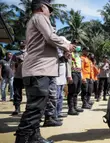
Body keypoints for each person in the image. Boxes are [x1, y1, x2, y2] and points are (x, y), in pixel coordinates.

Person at [15, 0, 75, 142]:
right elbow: (50, 36)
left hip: (39, 69)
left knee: (38, 108)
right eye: (49, 9)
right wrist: (66, 45)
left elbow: (44, 46)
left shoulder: (34, 20)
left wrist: (62, 55)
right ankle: (22, 139)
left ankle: (34, 137)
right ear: (42, 7)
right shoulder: (40, 17)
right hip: (39, 70)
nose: (51, 12)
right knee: (35, 109)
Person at [66, 40, 84, 115]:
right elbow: (68, 65)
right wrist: (69, 76)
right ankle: (71, 108)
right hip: (73, 73)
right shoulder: (69, 53)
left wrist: (82, 76)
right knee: (72, 91)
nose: (77, 46)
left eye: (78, 45)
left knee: (77, 91)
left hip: (78, 73)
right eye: (75, 45)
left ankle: (75, 106)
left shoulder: (78, 55)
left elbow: (80, 66)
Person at [55, 36, 70, 118]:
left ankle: (59, 112)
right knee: (56, 97)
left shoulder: (63, 52)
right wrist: (65, 55)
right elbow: (60, 59)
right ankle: (54, 115)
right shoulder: (56, 50)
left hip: (62, 79)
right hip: (56, 79)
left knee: (60, 97)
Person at [11, 41, 27, 115]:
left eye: (23, 46)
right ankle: (17, 108)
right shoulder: (15, 55)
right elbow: (12, 66)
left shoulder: (30, 54)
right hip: (18, 76)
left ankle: (29, 109)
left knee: (30, 93)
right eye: (21, 46)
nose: (22, 47)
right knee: (17, 93)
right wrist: (17, 63)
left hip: (27, 76)